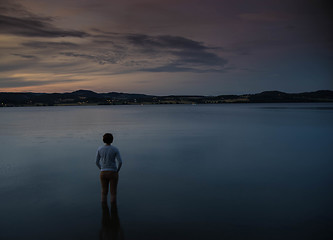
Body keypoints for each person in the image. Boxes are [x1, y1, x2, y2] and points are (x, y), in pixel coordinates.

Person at [96, 133, 122, 203]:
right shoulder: (115, 149)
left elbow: (96, 162)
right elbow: (120, 162)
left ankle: (104, 210)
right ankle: (113, 210)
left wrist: (101, 169)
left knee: (104, 192)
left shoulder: (100, 149)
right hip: (113, 172)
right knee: (113, 193)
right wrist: (117, 170)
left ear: (103, 140)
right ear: (112, 140)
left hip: (103, 173)